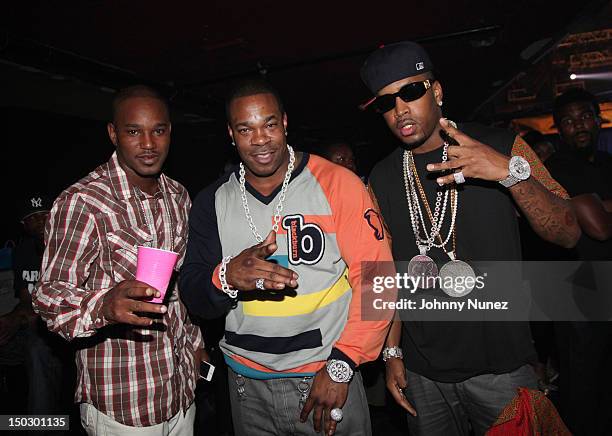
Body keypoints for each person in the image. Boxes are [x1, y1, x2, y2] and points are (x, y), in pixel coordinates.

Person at [360, 41, 580, 435]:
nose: (400, 110)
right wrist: (391, 352)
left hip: (502, 368)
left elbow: (567, 232)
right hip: (421, 371)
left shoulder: (503, 147)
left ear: (437, 92)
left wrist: (510, 174)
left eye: (411, 92)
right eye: (386, 102)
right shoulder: (381, 176)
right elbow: (385, 272)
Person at [180, 78, 394, 436]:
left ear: (285, 123)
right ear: (230, 134)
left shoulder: (337, 184)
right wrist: (227, 277)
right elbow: (194, 295)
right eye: (245, 129)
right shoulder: (212, 201)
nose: (260, 139)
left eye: (269, 124)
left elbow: (379, 283)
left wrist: (341, 365)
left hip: (326, 377)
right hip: (245, 386)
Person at [32, 85, 203, 435]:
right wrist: (104, 306)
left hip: (181, 392)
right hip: (122, 401)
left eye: (158, 130)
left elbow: (179, 289)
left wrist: (195, 344)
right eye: (133, 131)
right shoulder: (84, 201)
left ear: (170, 131)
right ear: (113, 134)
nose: (148, 144)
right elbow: (48, 295)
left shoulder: (178, 196)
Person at [545, 88, 612, 436]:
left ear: (598, 117)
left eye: (584, 116)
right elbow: (599, 227)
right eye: (568, 121)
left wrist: (601, 204)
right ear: (559, 128)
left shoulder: (606, 163)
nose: (579, 126)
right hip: (578, 292)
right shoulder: (558, 169)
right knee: (582, 384)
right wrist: (599, 208)